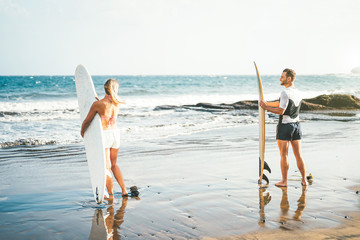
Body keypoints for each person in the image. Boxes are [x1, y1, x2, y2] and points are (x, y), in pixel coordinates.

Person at [81, 78, 129, 198]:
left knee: (106, 167)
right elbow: (107, 106)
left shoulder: (98, 104)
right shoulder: (117, 103)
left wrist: (82, 132)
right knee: (114, 165)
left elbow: (87, 121)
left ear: (105, 88)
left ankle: (111, 194)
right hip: (115, 134)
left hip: (105, 136)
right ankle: (124, 190)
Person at [260, 68, 307, 187]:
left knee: (284, 155)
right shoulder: (298, 92)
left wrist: (266, 108)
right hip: (296, 126)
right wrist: (267, 103)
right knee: (299, 155)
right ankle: (304, 180)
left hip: (285, 126)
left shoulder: (284, 92)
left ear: (289, 78)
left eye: (282, 76)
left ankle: (284, 181)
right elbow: (281, 103)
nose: (280, 78)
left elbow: (281, 110)